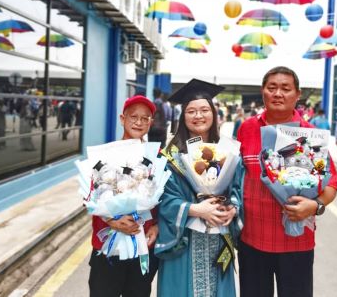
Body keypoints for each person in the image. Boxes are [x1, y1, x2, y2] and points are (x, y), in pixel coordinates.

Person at [236, 66, 337, 297]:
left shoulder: (310, 135)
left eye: (285, 88)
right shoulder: (247, 129)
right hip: (252, 240)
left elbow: (331, 183)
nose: (278, 94)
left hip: (297, 242)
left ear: (297, 95)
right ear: (263, 92)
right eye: (271, 88)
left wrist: (315, 206)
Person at [155, 79, 242, 297]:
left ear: (214, 114)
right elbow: (163, 198)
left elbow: (237, 188)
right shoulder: (170, 156)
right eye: (191, 111)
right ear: (183, 117)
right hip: (183, 241)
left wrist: (233, 207)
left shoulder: (227, 151)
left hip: (218, 236)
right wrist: (195, 210)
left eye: (204, 110)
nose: (198, 116)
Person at [89, 95, 159, 297]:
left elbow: (163, 200)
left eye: (145, 118)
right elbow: (91, 195)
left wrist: (157, 225)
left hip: (143, 244)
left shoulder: (156, 156)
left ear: (150, 123)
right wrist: (111, 219)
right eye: (133, 117)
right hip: (108, 246)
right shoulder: (104, 155)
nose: (139, 122)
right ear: (122, 119)